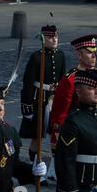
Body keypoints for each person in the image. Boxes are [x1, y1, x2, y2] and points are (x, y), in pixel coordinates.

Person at [19, 25, 66, 182]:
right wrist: (27, 107)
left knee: (57, 134)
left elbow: (63, 81)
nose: (54, 40)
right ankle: (36, 168)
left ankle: (53, 169)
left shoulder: (60, 55)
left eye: (56, 37)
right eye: (50, 37)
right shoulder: (36, 57)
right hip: (38, 98)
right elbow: (27, 83)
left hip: (55, 98)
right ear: (43, 39)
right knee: (37, 136)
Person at [54, 69, 97, 192]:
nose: (96, 92)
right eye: (91, 88)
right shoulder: (74, 121)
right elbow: (66, 161)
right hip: (82, 190)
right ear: (78, 92)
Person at [49, 35, 96, 152]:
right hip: (78, 132)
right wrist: (58, 140)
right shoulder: (70, 79)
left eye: (95, 52)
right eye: (90, 53)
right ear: (79, 55)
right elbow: (60, 113)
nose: (94, 55)